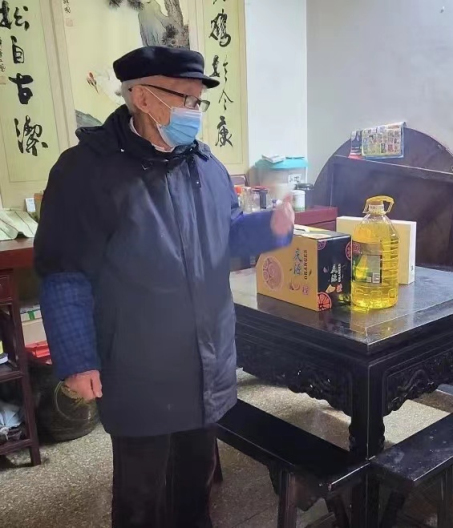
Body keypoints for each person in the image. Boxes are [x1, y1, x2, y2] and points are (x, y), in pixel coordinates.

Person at [34, 46, 295, 528]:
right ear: (142, 97)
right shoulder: (85, 172)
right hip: (137, 364)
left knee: (196, 478)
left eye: (198, 101)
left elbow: (226, 234)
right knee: (142, 492)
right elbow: (64, 270)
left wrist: (270, 228)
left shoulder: (206, 166)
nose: (193, 112)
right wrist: (77, 358)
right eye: (184, 99)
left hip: (205, 356)